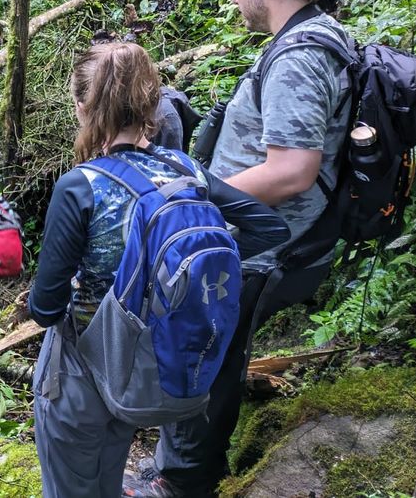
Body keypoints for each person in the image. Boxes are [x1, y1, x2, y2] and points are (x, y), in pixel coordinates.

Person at [123, 0, 352, 497]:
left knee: (207, 355)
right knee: (214, 351)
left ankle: (181, 482)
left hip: (263, 244)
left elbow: (292, 168)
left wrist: (192, 202)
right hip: (260, 238)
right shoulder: (311, 39)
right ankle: (185, 468)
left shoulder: (300, 55)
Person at [29, 42, 289, 498]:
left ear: (81, 105)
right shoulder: (185, 170)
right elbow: (269, 228)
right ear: (152, 104)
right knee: (107, 470)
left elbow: (46, 308)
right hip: (144, 367)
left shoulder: (80, 186)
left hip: (83, 376)